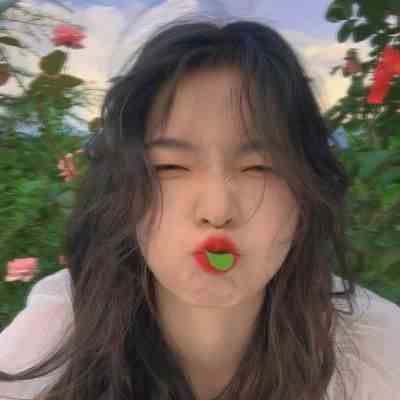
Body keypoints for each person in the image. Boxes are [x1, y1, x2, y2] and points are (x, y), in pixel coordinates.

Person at [0, 13, 400, 400]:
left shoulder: (377, 352)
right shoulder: (57, 332)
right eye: (170, 167)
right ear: (122, 189)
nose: (217, 210)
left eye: (260, 167)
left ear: (307, 192)